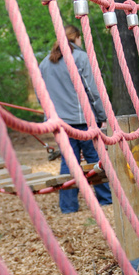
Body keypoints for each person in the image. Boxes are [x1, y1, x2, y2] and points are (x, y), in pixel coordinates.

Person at [39, 24, 113, 212]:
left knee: (68, 161)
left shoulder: (45, 63)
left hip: (59, 122)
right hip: (83, 120)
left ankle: (68, 206)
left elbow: (40, 93)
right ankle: (106, 198)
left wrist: (49, 115)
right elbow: (92, 90)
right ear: (76, 38)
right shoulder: (80, 58)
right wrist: (102, 115)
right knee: (94, 158)